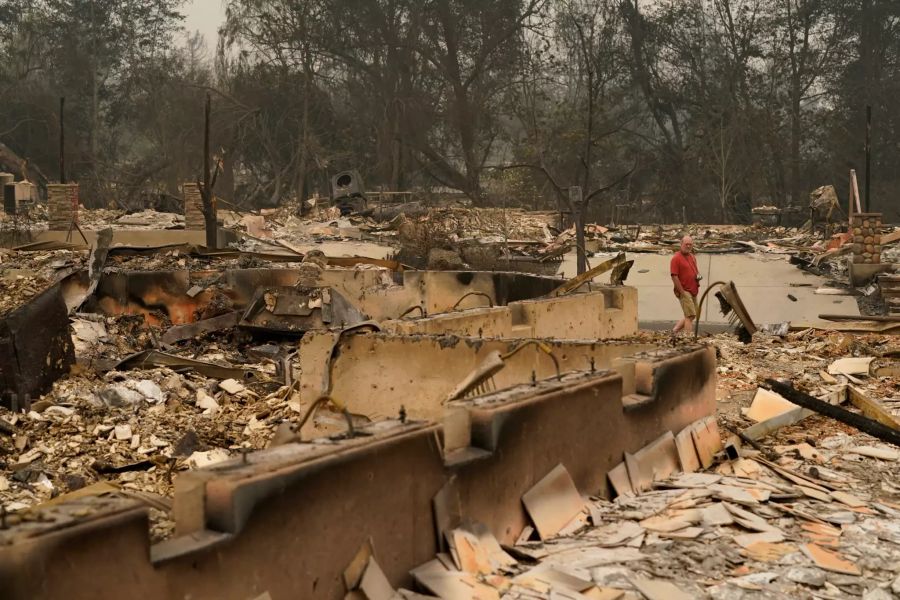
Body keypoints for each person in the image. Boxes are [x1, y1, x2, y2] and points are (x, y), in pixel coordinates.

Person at [670, 235, 701, 335]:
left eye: (690, 244)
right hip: (684, 290)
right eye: (686, 244)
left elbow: (695, 271)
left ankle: (675, 330)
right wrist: (682, 292)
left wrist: (698, 277)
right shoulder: (676, 258)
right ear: (681, 244)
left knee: (693, 314)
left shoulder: (692, 256)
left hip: (693, 289)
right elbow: (674, 276)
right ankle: (688, 338)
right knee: (689, 315)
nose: (688, 246)